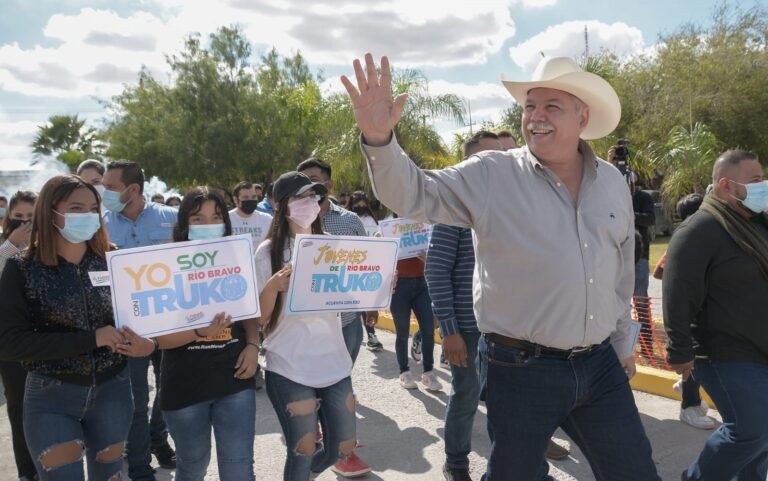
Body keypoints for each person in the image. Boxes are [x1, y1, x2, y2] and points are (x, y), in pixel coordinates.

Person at [342, 53, 659, 481]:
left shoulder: (612, 183)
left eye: (552, 107)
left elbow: (618, 273)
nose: (536, 117)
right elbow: (416, 193)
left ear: (582, 117)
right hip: (521, 369)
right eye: (530, 106)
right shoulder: (491, 174)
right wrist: (380, 140)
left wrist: (623, 344)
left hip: (600, 364)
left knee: (635, 472)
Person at [0, 174, 157, 481]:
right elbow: (9, 342)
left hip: (114, 392)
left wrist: (147, 345)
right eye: (75, 208)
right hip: (50, 398)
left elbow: (147, 323)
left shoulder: (116, 261)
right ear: (50, 212)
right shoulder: (21, 268)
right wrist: (91, 339)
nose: (86, 216)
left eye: (92, 209)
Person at [664, 150, 768, 481]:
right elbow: (677, 292)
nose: (763, 185)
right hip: (724, 352)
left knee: (763, 435)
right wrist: (679, 349)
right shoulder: (700, 230)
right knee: (749, 431)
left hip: (760, 347)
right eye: (755, 180)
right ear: (726, 185)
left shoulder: (758, 224)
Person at [255, 171, 357, 481]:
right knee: (302, 449)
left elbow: (350, 294)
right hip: (289, 365)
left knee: (342, 446)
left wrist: (379, 284)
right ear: (282, 205)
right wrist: (273, 286)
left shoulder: (332, 246)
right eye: (301, 197)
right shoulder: (268, 252)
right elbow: (259, 318)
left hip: (334, 363)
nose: (310, 203)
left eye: (314, 197)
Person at [156, 187, 259, 481]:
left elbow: (250, 312)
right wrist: (200, 331)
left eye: (216, 217)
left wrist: (252, 344)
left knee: (239, 465)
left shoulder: (238, 258)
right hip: (185, 385)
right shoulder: (164, 265)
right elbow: (162, 339)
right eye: (198, 218)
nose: (208, 224)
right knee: (192, 465)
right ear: (184, 224)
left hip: (235, 377)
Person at [297, 158, 376, 477]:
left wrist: (372, 302)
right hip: (309, 326)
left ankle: (331, 435)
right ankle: (339, 445)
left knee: (341, 378)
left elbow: (369, 263)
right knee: (325, 383)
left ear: (327, 185)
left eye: (314, 180)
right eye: (302, 180)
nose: (308, 187)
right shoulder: (291, 222)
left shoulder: (351, 221)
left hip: (347, 321)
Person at [103, 160, 178, 480]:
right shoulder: (100, 226)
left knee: (169, 391)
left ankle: (158, 437)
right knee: (135, 401)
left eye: (109, 187)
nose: (103, 193)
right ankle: (139, 467)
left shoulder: (172, 219)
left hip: (172, 324)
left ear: (133, 189)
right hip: (127, 329)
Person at [653, 193, 714, 430]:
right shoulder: (687, 238)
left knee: (700, 360)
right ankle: (688, 406)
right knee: (694, 360)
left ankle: (689, 392)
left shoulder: (705, 237)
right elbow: (660, 272)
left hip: (703, 315)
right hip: (688, 316)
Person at [0, 190, 38, 481]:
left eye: (31, 217)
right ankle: (28, 472)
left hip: (48, 342)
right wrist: (12, 247)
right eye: (18, 218)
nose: (25, 223)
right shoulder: (4, 249)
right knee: (19, 410)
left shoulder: (51, 248)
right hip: (13, 346)